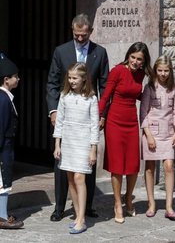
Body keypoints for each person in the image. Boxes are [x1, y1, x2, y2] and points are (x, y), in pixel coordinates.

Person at [46, 13, 109, 221]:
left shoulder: (100, 53)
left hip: (88, 116)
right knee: (62, 164)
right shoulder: (61, 51)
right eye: (76, 35)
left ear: (90, 31)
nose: (80, 39)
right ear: (72, 31)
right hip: (67, 116)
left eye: (83, 35)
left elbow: (105, 86)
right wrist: (54, 111)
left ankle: (86, 206)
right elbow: (52, 83)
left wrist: (101, 115)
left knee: (86, 164)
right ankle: (60, 207)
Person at [98, 42, 154, 224]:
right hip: (114, 121)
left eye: (139, 59)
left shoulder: (141, 75)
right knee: (117, 165)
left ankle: (128, 197)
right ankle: (117, 203)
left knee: (132, 165)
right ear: (128, 55)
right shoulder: (117, 71)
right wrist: (98, 116)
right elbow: (106, 96)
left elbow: (138, 94)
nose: (135, 62)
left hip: (131, 121)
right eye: (133, 57)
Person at [53, 62, 99, 234]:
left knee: (80, 178)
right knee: (71, 178)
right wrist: (57, 144)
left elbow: (94, 125)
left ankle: (82, 218)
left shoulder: (92, 99)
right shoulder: (64, 96)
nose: (71, 81)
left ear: (84, 78)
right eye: (70, 77)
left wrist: (93, 149)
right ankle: (77, 214)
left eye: (75, 78)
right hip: (68, 142)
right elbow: (60, 122)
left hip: (84, 142)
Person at [140, 55, 175, 219]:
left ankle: (169, 206)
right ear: (155, 70)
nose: (163, 74)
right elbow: (143, 112)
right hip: (152, 133)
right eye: (160, 70)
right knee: (150, 168)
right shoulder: (149, 87)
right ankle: (151, 203)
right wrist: (148, 135)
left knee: (169, 166)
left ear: (170, 70)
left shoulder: (174, 87)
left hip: (168, 133)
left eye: (166, 70)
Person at [0, 53, 24, 229]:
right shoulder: (3, 100)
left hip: (6, 148)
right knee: (3, 184)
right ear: (6, 79)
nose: (18, 79)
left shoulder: (6, 97)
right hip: (3, 149)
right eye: (15, 77)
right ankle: (1, 217)